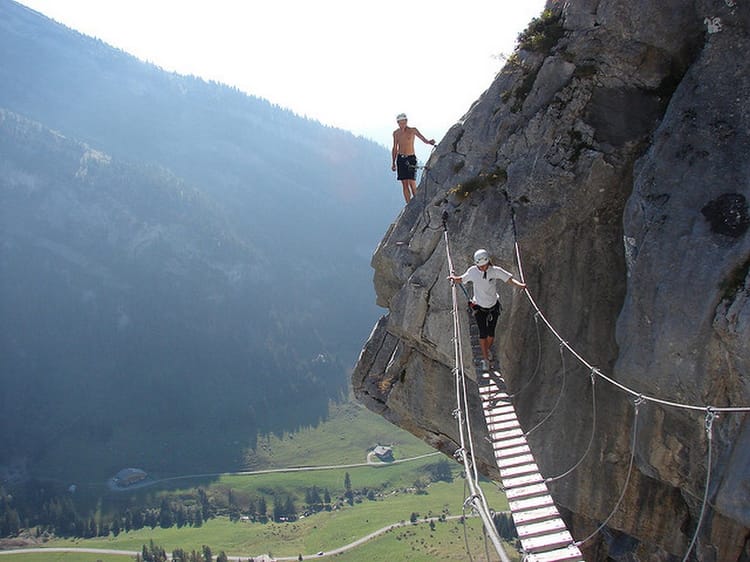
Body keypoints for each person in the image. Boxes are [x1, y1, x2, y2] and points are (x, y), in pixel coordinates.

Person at [449, 249, 526, 371]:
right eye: (480, 266)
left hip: (493, 307)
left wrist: (520, 286)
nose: (483, 268)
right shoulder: (473, 271)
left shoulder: (494, 271)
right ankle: (485, 359)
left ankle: (486, 350)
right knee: (483, 334)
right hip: (479, 307)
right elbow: (461, 279)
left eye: (484, 265)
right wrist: (454, 278)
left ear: (488, 262)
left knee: (491, 334)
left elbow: (509, 280)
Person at [391, 113, 435, 204]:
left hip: (411, 158)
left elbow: (422, 138)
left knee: (412, 181)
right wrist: (393, 162)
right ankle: (408, 204)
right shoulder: (396, 133)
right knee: (404, 183)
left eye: (403, 123)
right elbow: (395, 147)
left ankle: (417, 202)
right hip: (401, 158)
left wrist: (429, 142)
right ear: (397, 123)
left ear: (406, 122)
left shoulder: (412, 130)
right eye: (400, 123)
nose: (401, 125)